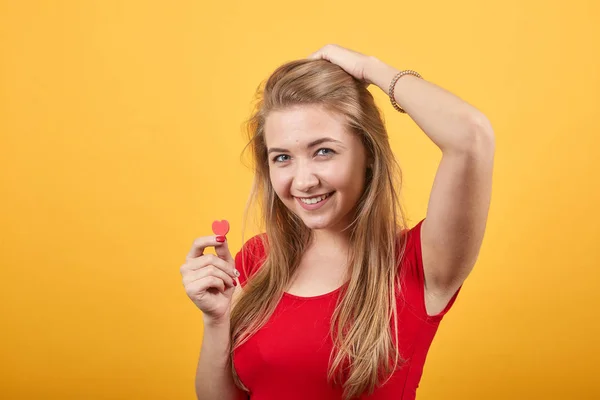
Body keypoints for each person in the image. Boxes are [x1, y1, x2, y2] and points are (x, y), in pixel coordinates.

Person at [181, 44, 495, 400]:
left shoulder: (421, 263)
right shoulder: (258, 259)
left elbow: (471, 136)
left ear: (369, 155)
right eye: (282, 157)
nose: (302, 181)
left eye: (323, 151)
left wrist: (369, 68)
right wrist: (216, 321)